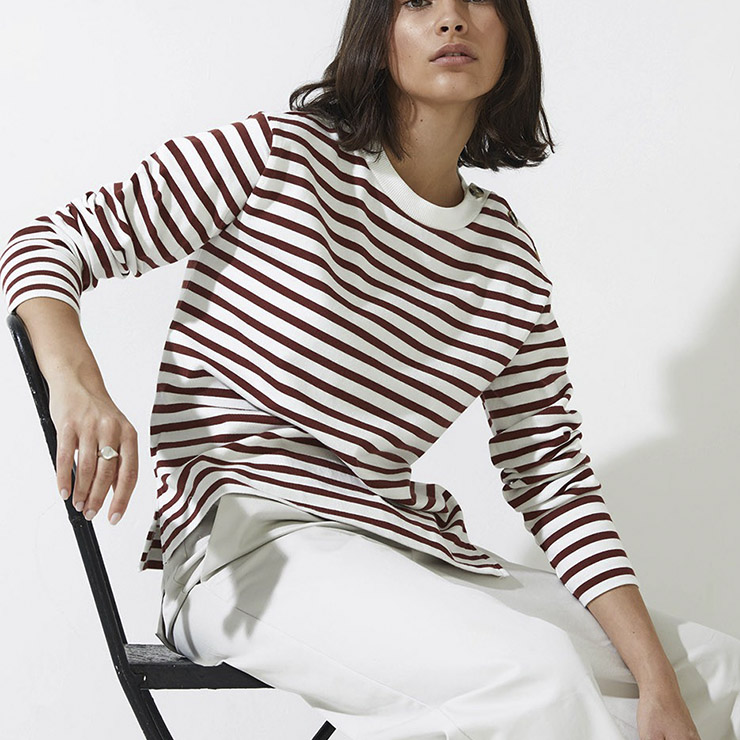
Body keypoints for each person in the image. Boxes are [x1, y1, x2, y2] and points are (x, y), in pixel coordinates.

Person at [2, 1, 739, 738]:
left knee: (721, 676)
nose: (452, 18)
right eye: (417, 1)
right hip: (247, 545)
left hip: (408, 548)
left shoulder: (506, 260)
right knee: (534, 679)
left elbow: (552, 479)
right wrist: (79, 382)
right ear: (377, 33)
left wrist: (657, 682)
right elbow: (47, 242)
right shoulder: (278, 156)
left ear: (512, 33)